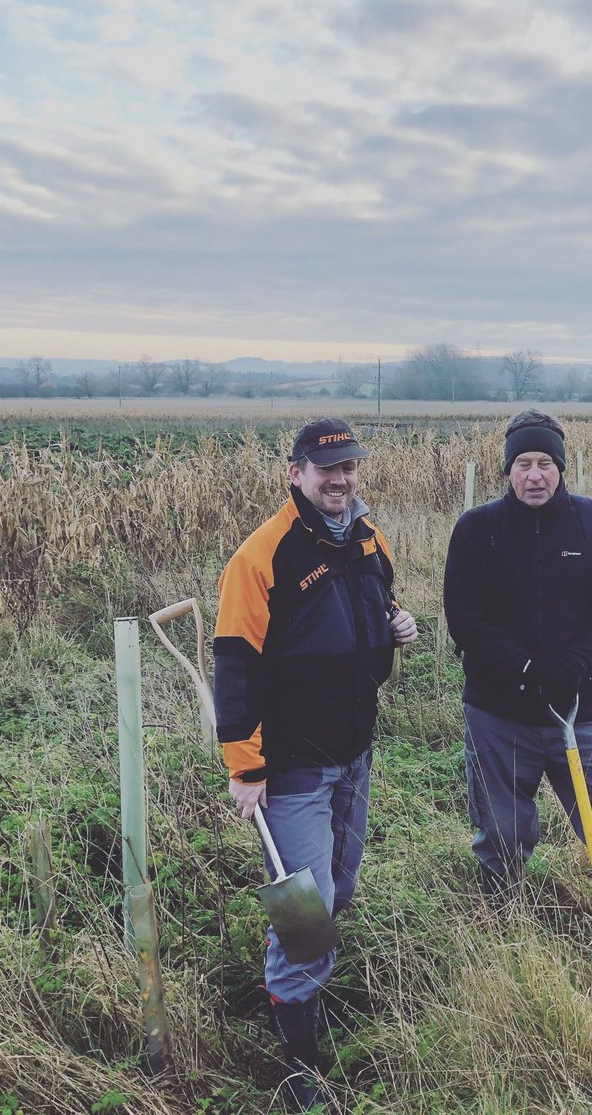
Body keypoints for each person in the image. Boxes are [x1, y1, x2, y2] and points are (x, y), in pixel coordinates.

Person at [213, 418, 418, 1111]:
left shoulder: (366, 538)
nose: (340, 479)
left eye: (349, 467)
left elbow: (377, 609)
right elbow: (236, 668)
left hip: (354, 752)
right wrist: (245, 769)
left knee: (341, 890)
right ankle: (300, 1065)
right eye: (325, 468)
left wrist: (398, 625)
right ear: (294, 472)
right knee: (307, 913)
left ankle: (302, 996)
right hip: (293, 766)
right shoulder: (262, 556)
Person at [443, 409, 592, 935]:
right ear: (507, 471)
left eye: (544, 463)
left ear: (561, 467)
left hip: (579, 711)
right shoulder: (477, 531)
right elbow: (464, 617)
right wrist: (524, 666)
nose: (534, 475)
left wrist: (575, 664)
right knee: (502, 835)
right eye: (522, 463)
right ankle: (507, 931)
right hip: (498, 713)